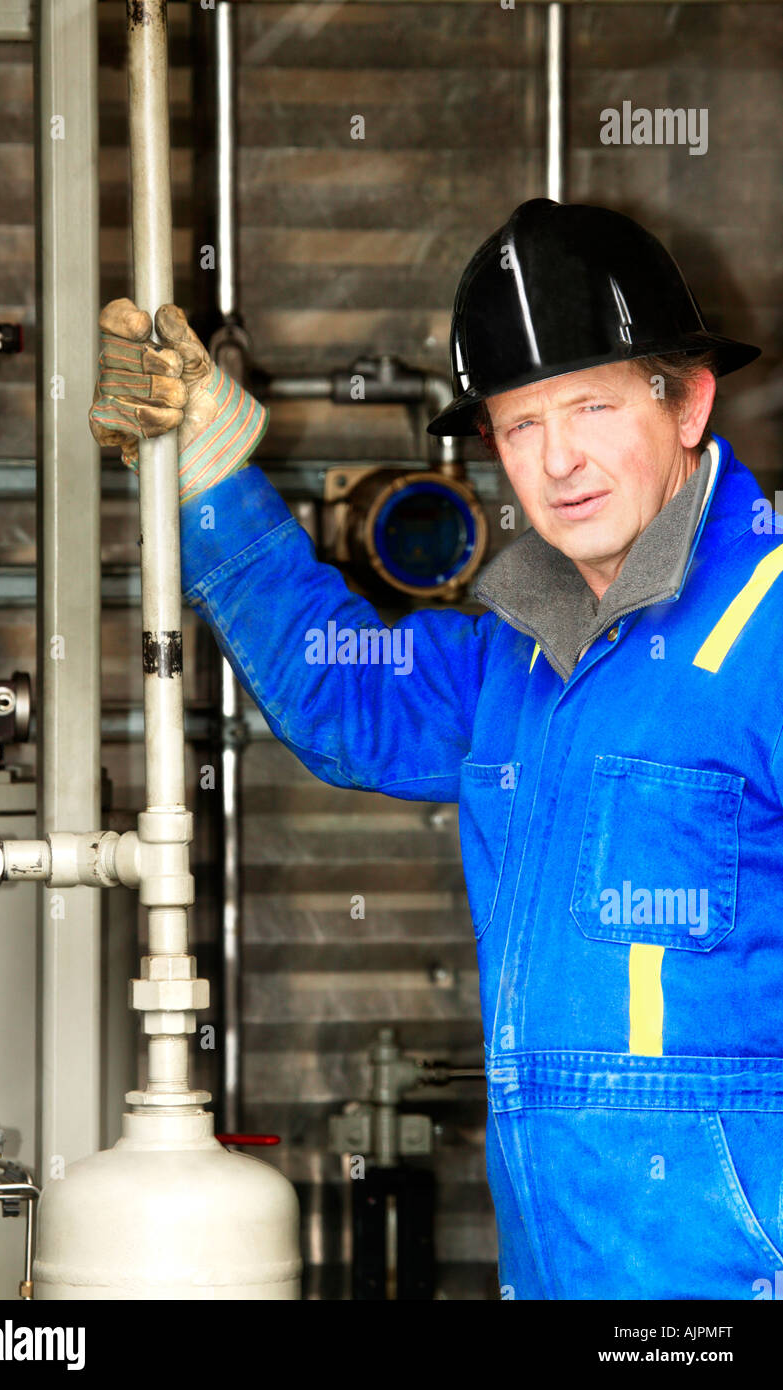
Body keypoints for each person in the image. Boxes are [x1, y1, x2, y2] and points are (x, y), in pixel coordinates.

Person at [89, 198, 783, 1300]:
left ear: (689, 400)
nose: (558, 460)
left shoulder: (771, 635)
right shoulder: (517, 661)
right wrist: (208, 477)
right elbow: (339, 691)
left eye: (592, 406)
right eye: (518, 424)